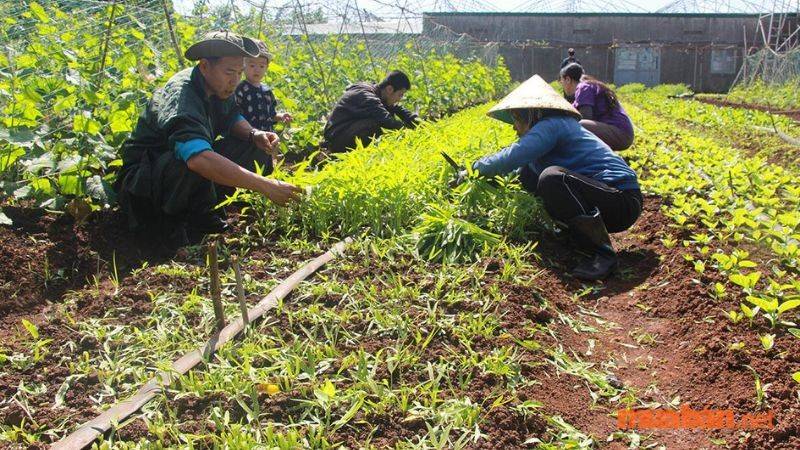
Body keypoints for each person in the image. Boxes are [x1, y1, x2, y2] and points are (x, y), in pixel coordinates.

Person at [115, 31, 302, 248]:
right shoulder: (182, 97)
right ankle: (168, 227)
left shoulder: (219, 84)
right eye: (229, 72)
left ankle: (206, 211)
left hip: (184, 170)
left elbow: (231, 116)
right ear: (204, 66)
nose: (235, 81)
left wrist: (254, 134)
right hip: (147, 183)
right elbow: (198, 159)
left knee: (253, 146)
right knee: (189, 163)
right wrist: (266, 186)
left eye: (240, 73)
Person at [465, 75, 642, 281]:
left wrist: (474, 168)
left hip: (622, 200)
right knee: (528, 175)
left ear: (531, 113)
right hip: (604, 198)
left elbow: (514, 155)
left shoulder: (554, 124)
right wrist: (487, 180)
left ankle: (603, 254)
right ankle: (574, 236)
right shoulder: (551, 129)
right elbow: (514, 170)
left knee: (552, 178)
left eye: (516, 119)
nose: (514, 127)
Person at [322, 70, 419, 153]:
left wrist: (419, 123)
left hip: (345, 134)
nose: (400, 99)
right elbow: (387, 121)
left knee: (385, 117)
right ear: (389, 89)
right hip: (336, 139)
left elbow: (398, 109)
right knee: (376, 123)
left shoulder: (378, 94)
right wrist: (410, 134)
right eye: (400, 95)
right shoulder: (367, 96)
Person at [235, 39, 292, 175]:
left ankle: (271, 175)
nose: (257, 70)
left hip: (268, 133)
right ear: (244, 66)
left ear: (267, 67)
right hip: (248, 136)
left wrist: (281, 116)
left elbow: (271, 113)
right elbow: (235, 113)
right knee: (251, 163)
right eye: (252, 65)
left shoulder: (267, 91)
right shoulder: (241, 89)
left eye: (261, 66)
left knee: (269, 160)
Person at [560, 63, 635, 151]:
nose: (562, 86)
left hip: (620, 133)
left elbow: (586, 116)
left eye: (562, 82)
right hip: (621, 133)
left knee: (577, 126)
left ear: (568, 79)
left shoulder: (583, 87)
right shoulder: (587, 86)